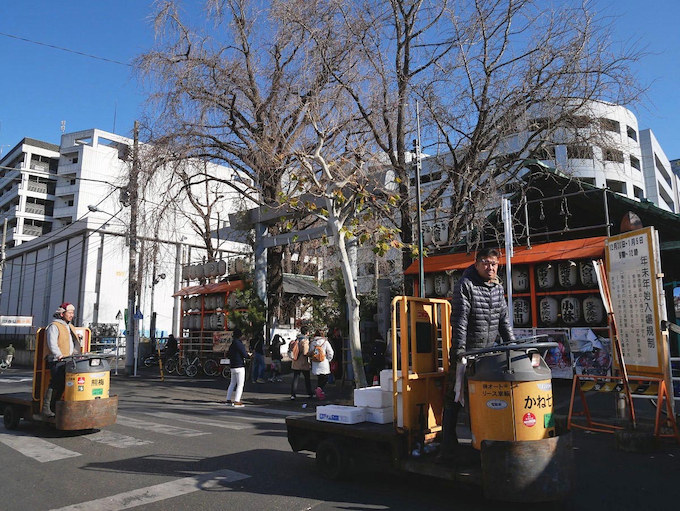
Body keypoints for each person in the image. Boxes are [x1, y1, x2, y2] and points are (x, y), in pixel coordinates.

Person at [440, 248, 515, 460]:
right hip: (466, 351)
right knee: (455, 396)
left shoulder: (497, 288)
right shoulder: (466, 285)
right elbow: (460, 320)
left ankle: (482, 443)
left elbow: (504, 320)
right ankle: (448, 445)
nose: (490, 267)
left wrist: (512, 345)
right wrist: (459, 350)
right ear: (476, 263)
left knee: (481, 398)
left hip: (487, 353)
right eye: (485, 263)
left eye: (494, 264)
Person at [43, 302, 82, 417]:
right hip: (57, 360)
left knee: (64, 384)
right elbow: (52, 343)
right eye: (69, 313)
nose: (72, 315)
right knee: (56, 383)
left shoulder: (69, 326)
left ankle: (55, 407)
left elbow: (72, 344)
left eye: (72, 313)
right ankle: (47, 408)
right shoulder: (54, 326)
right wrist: (58, 355)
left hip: (68, 359)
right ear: (61, 314)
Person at [225, 328, 249, 407]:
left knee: (232, 383)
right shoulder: (239, 343)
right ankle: (237, 401)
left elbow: (228, 354)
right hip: (239, 366)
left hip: (232, 366)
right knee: (240, 384)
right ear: (240, 335)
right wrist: (249, 355)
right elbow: (244, 354)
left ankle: (228, 400)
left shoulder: (232, 344)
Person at [289, 325, 313, 400]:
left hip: (295, 362)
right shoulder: (304, 341)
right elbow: (305, 353)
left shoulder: (296, 339)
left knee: (295, 378)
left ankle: (293, 394)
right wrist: (312, 353)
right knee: (307, 379)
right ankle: (309, 393)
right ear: (307, 332)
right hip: (303, 363)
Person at [309, 329, 334, 400]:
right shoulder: (325, 342)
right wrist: (328, 359)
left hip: (315, 363)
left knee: (320, 378)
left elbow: (310, 352)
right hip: (324, 362)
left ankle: (319, 391)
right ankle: (319, 390)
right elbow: (330, 352)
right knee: (325, 378)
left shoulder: (313, 342)